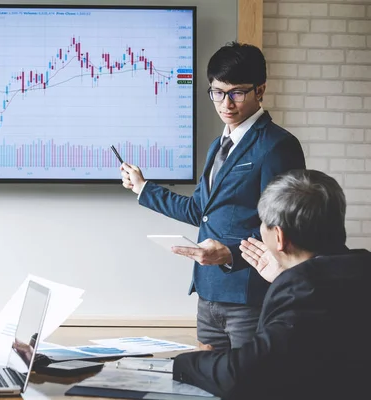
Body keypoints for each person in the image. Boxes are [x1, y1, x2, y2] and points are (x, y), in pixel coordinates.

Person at [120, 42, 305, 350]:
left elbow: (284, 227)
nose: (226, 104)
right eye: (217, 92)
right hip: (208, 294)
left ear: (260, 90)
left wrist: (230, 252)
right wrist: (143, 188)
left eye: (237, 93)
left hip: (249, 297)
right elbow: (200, 211)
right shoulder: (216, 146)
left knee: (248, 387)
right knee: (208, 389)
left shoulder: (278, 145)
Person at [172, 169, 371, 400]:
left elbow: (243, 376)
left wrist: (190, 361)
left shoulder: (301, 292)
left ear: (279, 236)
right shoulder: (358, 269)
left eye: (263, 225)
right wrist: (285, 276)